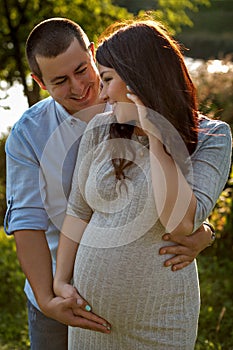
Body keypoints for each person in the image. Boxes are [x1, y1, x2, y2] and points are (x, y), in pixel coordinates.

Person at [4, 17, 215, 350]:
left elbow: (182, 198)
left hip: (150, 306)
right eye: (60, 81)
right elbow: (28, 223)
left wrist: (203, 231)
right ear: (39, 82)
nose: (80, 87)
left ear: (92, 54)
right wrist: (48, 298)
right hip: (58, 295)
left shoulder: (129, 104)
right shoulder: (29, 135)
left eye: (82, 70)